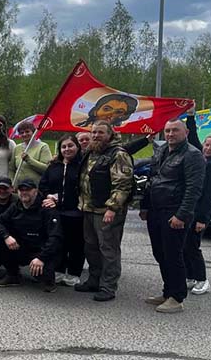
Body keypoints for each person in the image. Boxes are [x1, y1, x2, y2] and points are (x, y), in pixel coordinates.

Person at [140, 119, 204, 313]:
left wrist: (182, 215)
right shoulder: (161, 151)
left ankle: (177, 297)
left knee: (173, 255)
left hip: (174, 212)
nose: (170, 134)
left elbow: (194, 189)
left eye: (175, 130)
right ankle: (168, 291)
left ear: (185, 132)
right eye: (167, 130)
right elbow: (152, 179)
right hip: (156, 210)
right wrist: (145, 205)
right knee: (160, 253)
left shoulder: (193, 155)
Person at [76, 120, 133, 302]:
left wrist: (112, 208)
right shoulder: (90, 152)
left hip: (106, 211)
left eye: (100, 132)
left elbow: (123, 183)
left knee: (108, 249)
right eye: (93, 132)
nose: (95, 136)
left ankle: (108, 287)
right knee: (91, 247)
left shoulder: (118, 154)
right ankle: (94, 280)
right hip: (88, 208)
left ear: (110, 134)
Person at [0, 178, 62, 292]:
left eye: (28, 190)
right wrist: (6, 236)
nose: (24, 192)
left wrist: (41, 257)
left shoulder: (47, 209)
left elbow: (55, 237)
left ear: (35, 191)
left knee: (45, 280)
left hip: (42, 251)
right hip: (22, 248)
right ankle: (12, 275)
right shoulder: (16, 206)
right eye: (21, 189)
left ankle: (48, 279)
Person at [184, 111, 211, 296]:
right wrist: (191, 117)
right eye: (207, 145)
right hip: (189, 210)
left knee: (193, 246)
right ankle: (190, 276)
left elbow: (209, 196)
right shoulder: (202, 159)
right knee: (185, 244)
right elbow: (193, 138)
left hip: (201, 213)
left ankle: (202, 279)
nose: (208, 148)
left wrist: (202, 219)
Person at [39, 135, 84, 287]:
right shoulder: (54, 166)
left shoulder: (83, 165)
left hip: (76, 211)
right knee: (59, 241)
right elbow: (43, 185)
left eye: (70, 146)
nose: (67, 149)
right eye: (63, 147)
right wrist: (49, 197)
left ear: (77, 147)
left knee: (76, 244)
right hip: (56, 211)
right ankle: (58, 269)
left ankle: (73, 272)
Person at [11, 121, 52, 188]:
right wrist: (12, 183)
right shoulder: (17, 148)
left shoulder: (43, 147)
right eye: (21, 133)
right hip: (19, 188)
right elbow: (11, 169)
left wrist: (29, 160)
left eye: (27, 131)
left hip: (36, 188)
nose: (24, 134)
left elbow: (47, 169)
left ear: (33, 133)